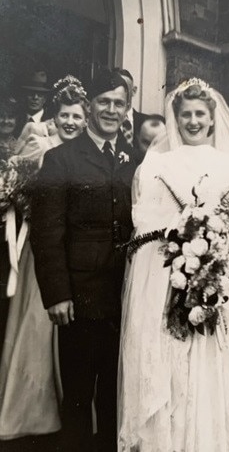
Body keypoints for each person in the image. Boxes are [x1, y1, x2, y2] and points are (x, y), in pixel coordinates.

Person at [117, 78, 229, 451]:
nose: (193, 121)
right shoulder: (157, 164)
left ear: (212, 120)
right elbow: (145, 231)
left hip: (215, 292)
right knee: (167, 376)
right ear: (175, 119)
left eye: (200, 115)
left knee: (207, 380)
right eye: (186, 115)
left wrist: (218, 275)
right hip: (164, 289)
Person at [31, 67, 138, 452]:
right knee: (77, 398)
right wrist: (57, 293)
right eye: (104, 102)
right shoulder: (61, 160)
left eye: (119, 104)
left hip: (124, 298)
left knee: (115, 396)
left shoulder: (133, 160)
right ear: (89, 106)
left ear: (128, 110)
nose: (111, 110)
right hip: (79, 299)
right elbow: (46, 234)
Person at [0, 75, 88, 440]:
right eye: (65, 115)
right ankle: (32, 409)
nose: (70, 122)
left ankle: (70, 404)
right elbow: (13, 188)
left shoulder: (87, 151)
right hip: (42, 248)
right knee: (38, 325)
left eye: (77, 117)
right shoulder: (38, 146)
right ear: (55, 115)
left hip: (76, 251)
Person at [16, 69, 54, 138]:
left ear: (45, 99)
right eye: (31, 94)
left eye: (40, 95)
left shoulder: (51, 122)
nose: (35, 98)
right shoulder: (17, 119)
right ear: (25, 96)